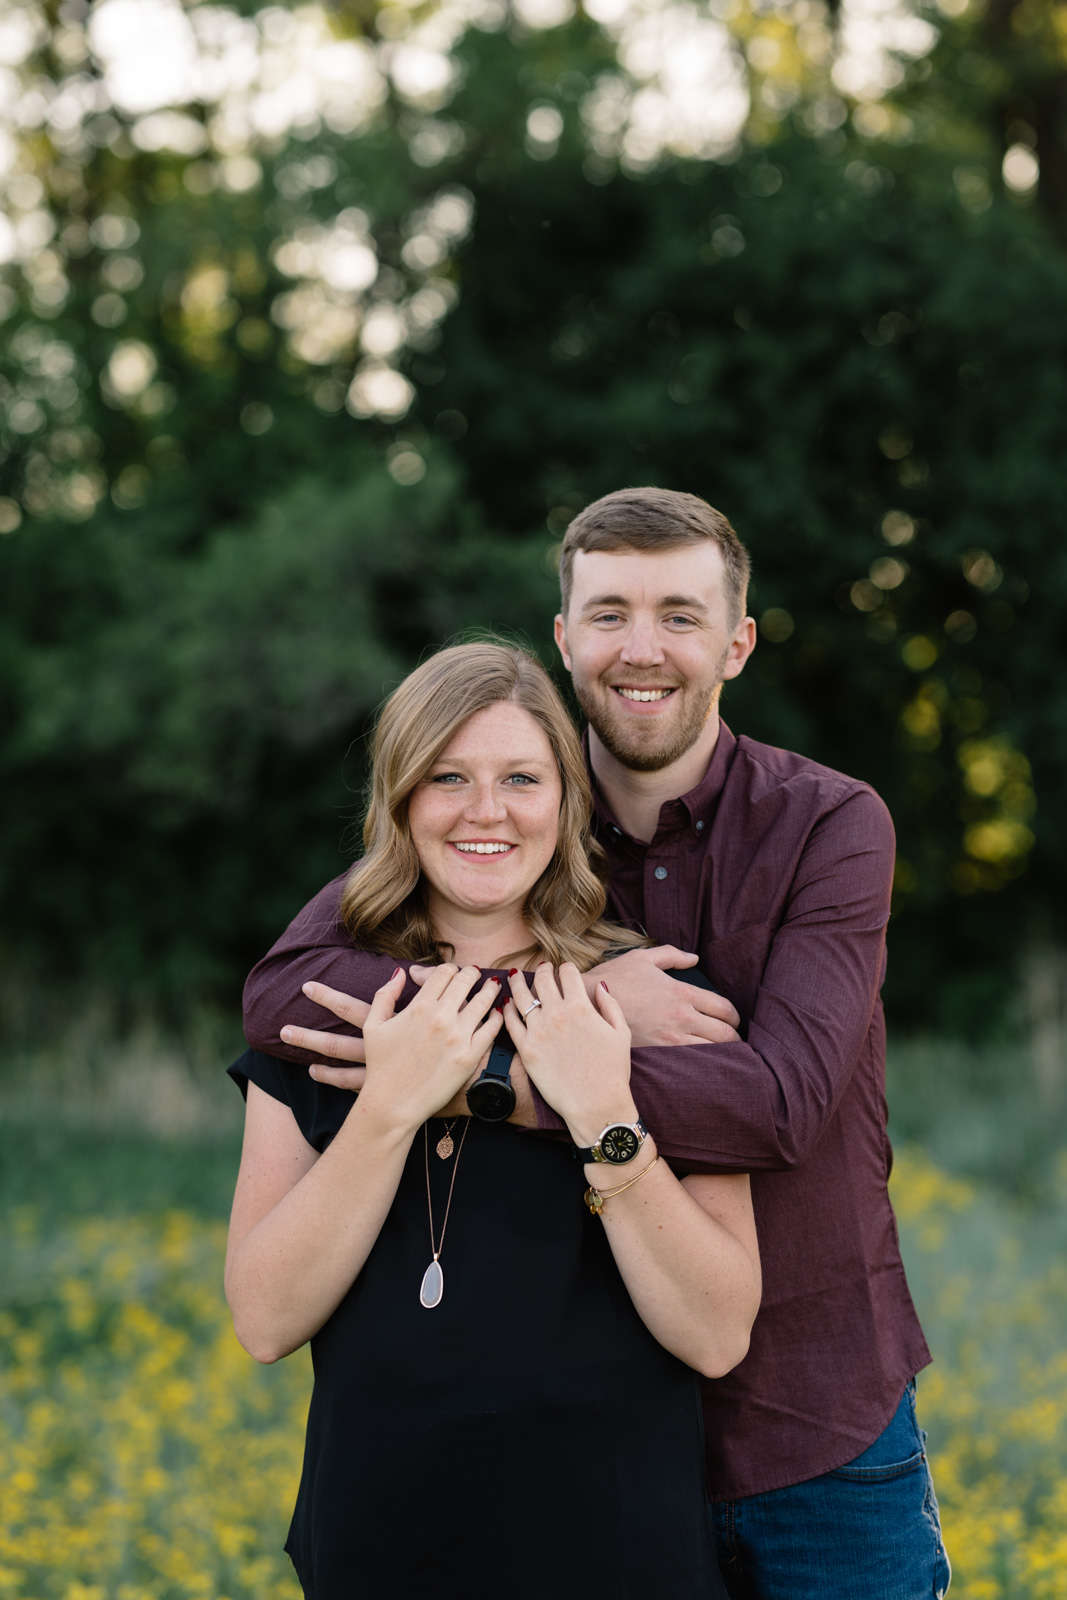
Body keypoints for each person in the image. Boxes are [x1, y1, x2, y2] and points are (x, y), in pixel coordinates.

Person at [244, 487, 951, 1600]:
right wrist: (549, 991)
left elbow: (774, 1105)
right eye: (609, 611)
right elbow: (283, 990)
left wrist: (515, 1068)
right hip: (591, 1462)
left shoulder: (827, 822)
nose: (643, 647)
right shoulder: (509, 811)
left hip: (809, 1425)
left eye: (679, 613)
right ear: (564, 636)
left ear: (736, 641)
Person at [225, 641, 762, 1600]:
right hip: (382, 1548)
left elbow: (717, 1333)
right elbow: (265, 1319)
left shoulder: (662, 1003)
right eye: (447, 777)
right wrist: (390, 1103)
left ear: (566, 800)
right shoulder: (323, 1016)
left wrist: (602, 1110)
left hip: (621, 1553)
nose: (486, 811)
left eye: (521, 777)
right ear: (399, 799)